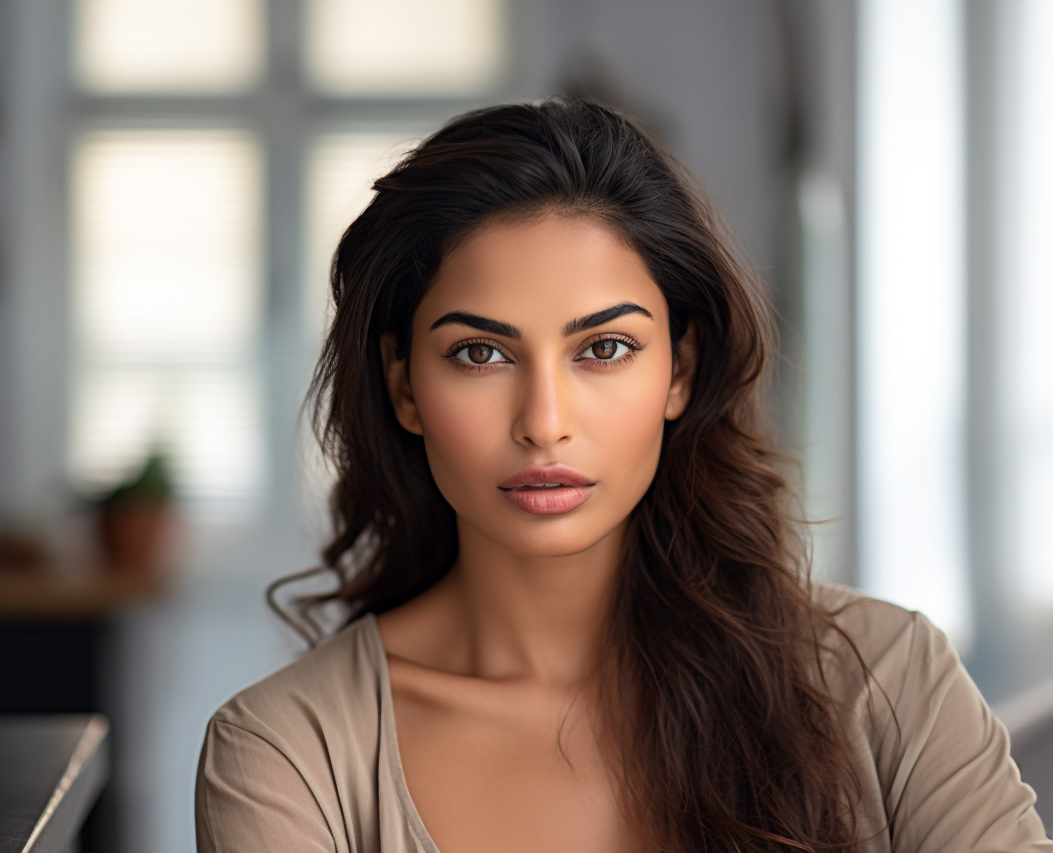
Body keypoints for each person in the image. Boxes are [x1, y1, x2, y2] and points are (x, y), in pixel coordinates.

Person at [194, 97, 1051, 852]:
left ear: (679, 370)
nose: (543, 420)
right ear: (402, 385)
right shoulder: (285, 754)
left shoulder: (892, 679)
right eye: (480, 353)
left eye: (603, 348)